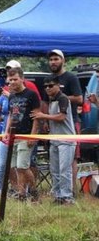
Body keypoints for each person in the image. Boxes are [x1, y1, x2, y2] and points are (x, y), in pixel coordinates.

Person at [30, 76, 76, 205]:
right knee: (54, 170)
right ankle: (57, 196)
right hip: (54, 139)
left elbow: (61, 117)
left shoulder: (63, 98)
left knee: (64, 170)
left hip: (66, 139)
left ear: (58, 85)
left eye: (50, 86)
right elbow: (52, 118)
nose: (48, 89)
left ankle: (67, 197)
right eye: (45, 87)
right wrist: (46, 122)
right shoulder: (50, 100)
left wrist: (43, 116)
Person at [3, 67, 41, 201]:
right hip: (14, 135)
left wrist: (32, 135)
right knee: (15, 167)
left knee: (23, 166)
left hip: (26, 135)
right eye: (10, 79)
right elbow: (10, 115)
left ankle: (34, 190)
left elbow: (36, 116)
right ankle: (22, 193)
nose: (12, 82)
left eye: (15, 79)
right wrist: (6, 132)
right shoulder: (12, 96)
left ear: (22, 79)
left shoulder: (31, 95)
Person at [48, 49, 83, 192]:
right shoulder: (49, 79)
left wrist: (60, 97)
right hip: (53, 122)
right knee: (56, 159)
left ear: (63, 61)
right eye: (51, 60)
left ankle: (71, 190)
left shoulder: (71, 78)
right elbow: (45, 101)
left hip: (71, 121)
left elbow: (80, 99)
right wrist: (44, 121)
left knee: (71, 158)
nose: (53, 62)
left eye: (56, 59)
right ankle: (58, 191)